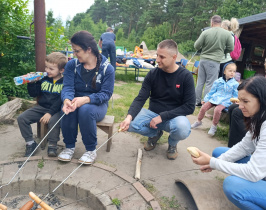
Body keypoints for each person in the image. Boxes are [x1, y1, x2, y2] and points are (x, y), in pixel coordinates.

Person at [191, 76, 266, 210]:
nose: (240, 106)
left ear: (263, 100)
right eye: (239, 100)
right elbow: (244, 147)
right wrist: (214, 162)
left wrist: (214, 163)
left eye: (245, 101)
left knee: (233, 186)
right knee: (219, 153)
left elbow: (253, 173)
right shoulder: (262, 114)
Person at [120, 39, 195, 160]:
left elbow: (190, 106)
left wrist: (162, 117)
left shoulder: (185, 76)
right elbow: (140, 98)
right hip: (152, 114)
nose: (157, 60)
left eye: (162, 57)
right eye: (157, 55)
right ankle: (155, 134)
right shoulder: (152, 74)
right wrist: (129, 117)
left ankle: (172, 143)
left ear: (174, 57)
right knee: (130, 124)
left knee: (182, 128)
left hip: (174, 117)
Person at [59, 31, 115, 164]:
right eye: (73, 51)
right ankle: (69, 147)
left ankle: (90, 150)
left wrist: (86, 99)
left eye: (77, 51)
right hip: (75, 100)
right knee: (67, 108)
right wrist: (67, 100)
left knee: (86, 110)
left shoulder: (107, 69)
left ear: (88, 49)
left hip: (97, 104)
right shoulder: (72, 65)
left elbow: (105, 94)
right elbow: (67, 87)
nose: (74, 54)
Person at [17, 52, 67, 157]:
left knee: (53, 121)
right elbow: (34, 94)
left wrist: (50, 113)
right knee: (22, 118)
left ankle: (53, 144)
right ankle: (30, 143)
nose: (47, 70)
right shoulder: (43, 79)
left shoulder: (65, 82)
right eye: (46, 67)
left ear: (62, 70)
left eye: (51, 69)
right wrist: (31, 83)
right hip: (41, 108)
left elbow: (60, 100)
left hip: (57, 110)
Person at [194, 15, 234, 107]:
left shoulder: (205, 32)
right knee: (210, 83)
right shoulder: (227, 34)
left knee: (200, 82)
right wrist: (222, 52)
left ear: (212, 22)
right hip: (215, 61)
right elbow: (231, 48)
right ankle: (205, 103)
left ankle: (196, 102)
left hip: (203, 60)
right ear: (220, 23)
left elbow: (196, 46)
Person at [191, 62, 239, 136]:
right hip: (215, 98)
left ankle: (214, 126)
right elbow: (212, 92)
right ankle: (198, 121)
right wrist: (206, 99)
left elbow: (235, 95)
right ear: (224, 71)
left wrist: (234, 102)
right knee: (204, 107)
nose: (232, 73)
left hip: (225, 101)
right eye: (230, 71)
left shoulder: (235, 84)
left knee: (217, 110)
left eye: (234, 71)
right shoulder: (218, 81)